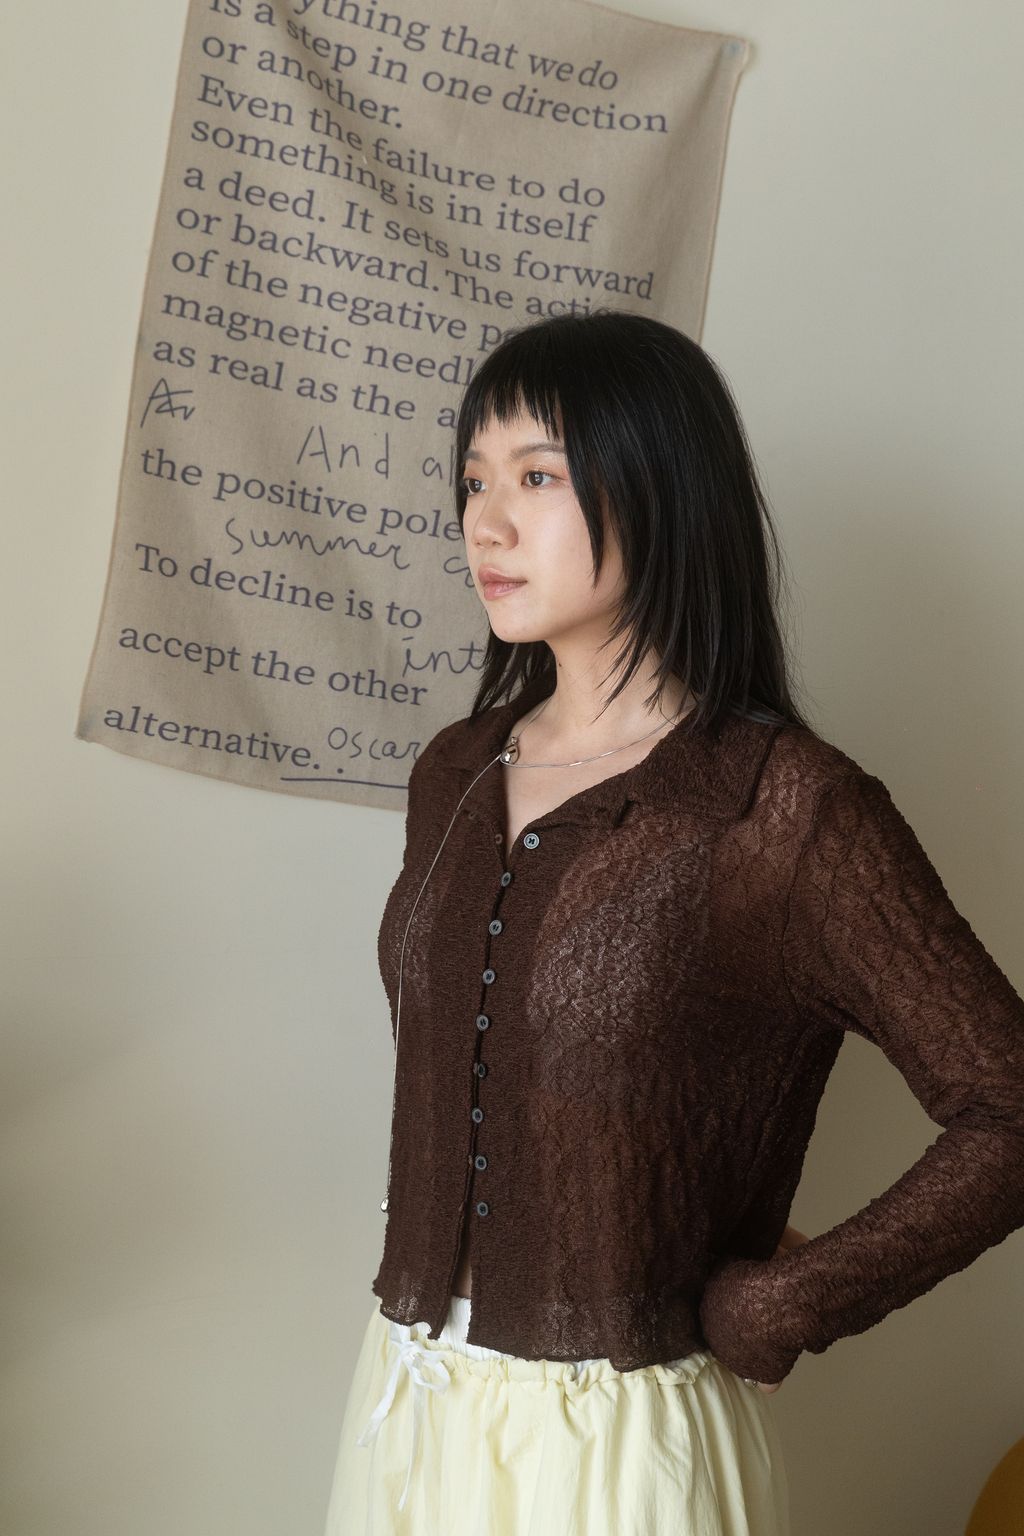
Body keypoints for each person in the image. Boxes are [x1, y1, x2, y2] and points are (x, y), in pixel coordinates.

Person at [322, 309, 1024, 1536]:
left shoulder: (778, 811)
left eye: (537, 477)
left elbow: (1007, 1107)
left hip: (619, 1448)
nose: (485, 523)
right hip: (405, 1400)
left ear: (660, 490)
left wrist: (789, 1303)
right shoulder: (457, 770)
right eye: (474, 480)